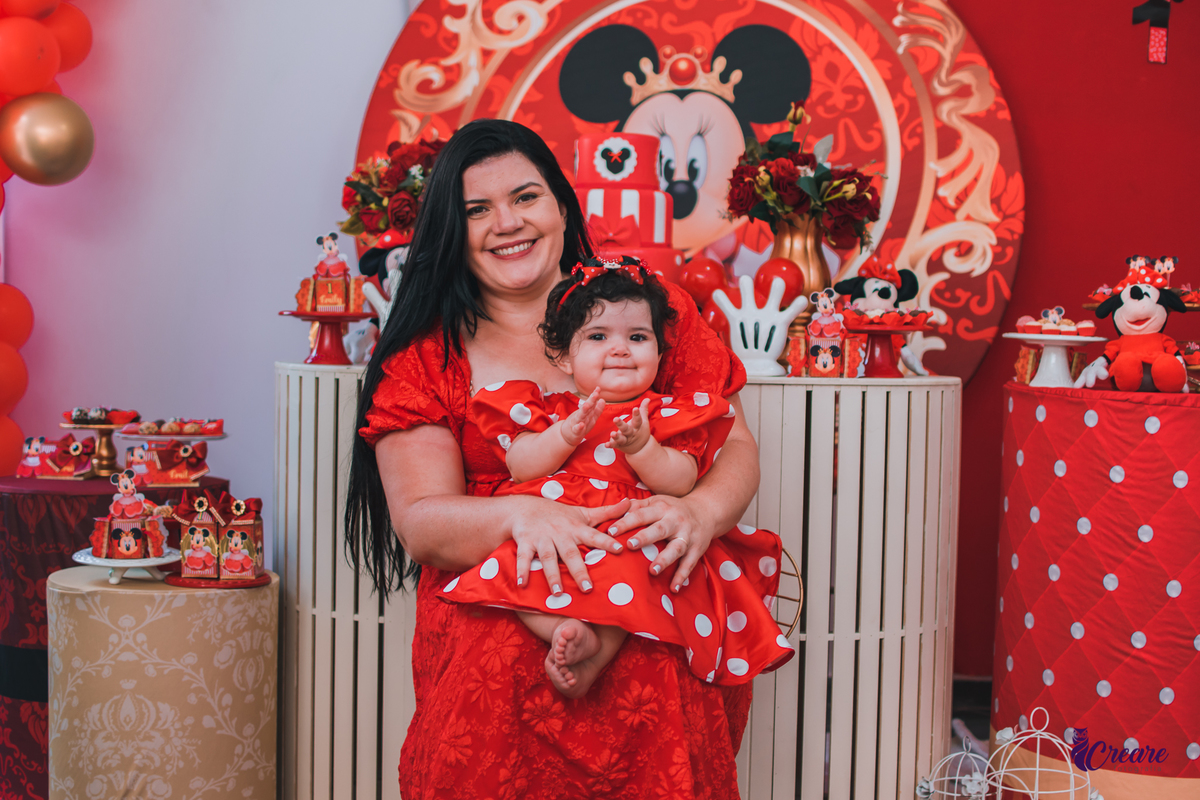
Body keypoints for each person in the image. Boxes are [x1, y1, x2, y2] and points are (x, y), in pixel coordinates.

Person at [345, 118, 765, 799]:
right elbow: (420, 521)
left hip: (656, 642)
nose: (506, 223)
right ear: (452, 231)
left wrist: (702, 513)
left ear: (563, 208)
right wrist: (521, 516)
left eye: (526, 197)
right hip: (498, 675)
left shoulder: (651, 314)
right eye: (476, 209)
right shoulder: (429, 358)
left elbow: (733, 446)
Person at [443, 257, 792, 698]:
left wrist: (644, 449)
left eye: (638, 337)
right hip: (557, 528)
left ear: (660, 353)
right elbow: (522, 466)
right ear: (564, 356)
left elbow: (681, 480)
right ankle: (563, 631)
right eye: (598, 336)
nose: (620, 348)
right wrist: (563, 436)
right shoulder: (551, 409)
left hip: (628, 532)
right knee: (515, 570)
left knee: (636, 574)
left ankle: (596, 650)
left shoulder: (665, 413)